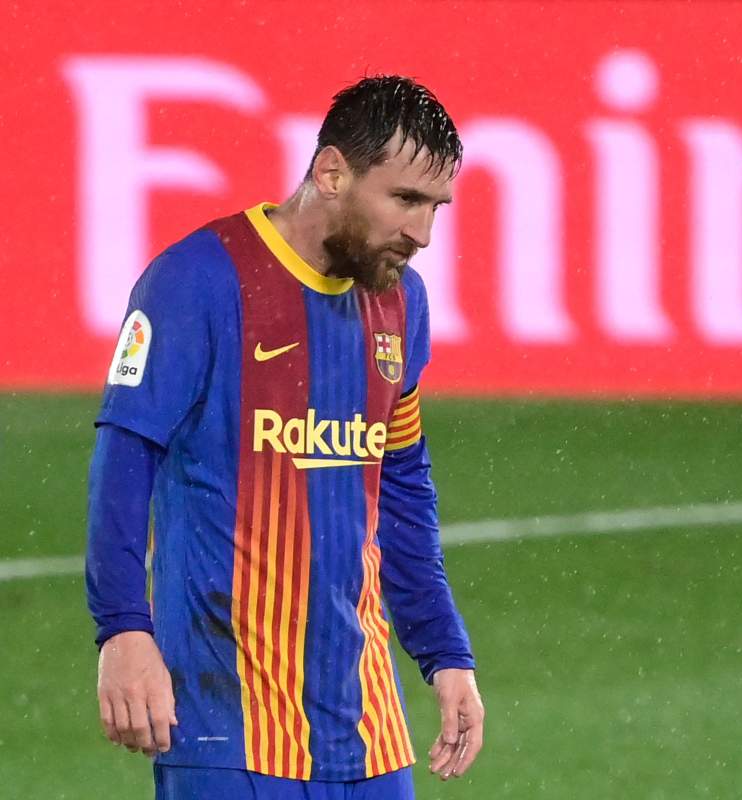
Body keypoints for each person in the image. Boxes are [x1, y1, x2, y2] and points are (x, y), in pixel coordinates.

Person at [85, 75, 484, 800]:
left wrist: (444, 651)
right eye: (405, 200)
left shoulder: (402, 303)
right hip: (225, 728)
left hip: (369, 732)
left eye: (436, 207)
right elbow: (124, 461)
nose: (422, 233)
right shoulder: (197, 281)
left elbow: (401, 488)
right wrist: (122, 630)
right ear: (331, 172)